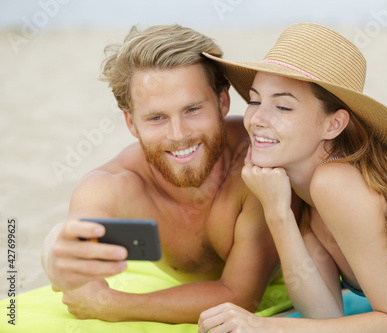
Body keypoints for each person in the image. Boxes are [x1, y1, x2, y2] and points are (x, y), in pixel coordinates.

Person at [198, 23, 387, 332]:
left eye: (283, 106)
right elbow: (326, 315)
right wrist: (278, 213)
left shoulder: (335, 183)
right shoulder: (301, 190)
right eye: (254, 100)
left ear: (333, 125)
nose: (258, 119)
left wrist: (260, 326)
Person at [41, 24, 288, 324]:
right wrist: (54, 254)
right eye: (156, 118)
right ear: (131, 123)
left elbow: (240, 295)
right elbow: (72, 259)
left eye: (193, 109)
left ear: (222, 101)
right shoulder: (112, 188)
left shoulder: (256, 161)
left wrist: (112, 305)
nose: (179, 134)